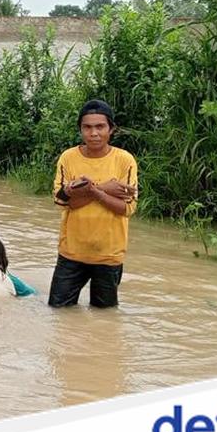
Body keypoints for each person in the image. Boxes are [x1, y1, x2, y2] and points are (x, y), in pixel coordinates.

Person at [49, 99, 139, 308]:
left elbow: (126, 208)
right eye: (87, 127)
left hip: (109, 255)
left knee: (105, 321)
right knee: (58, 312)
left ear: (111, 129)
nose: (94, 133)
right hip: (71, 252)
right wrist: (106, 189)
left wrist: (90, 191)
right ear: (80, 129)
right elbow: (62, 201)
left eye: (100, 126)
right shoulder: (68, 158)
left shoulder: (124, 160)